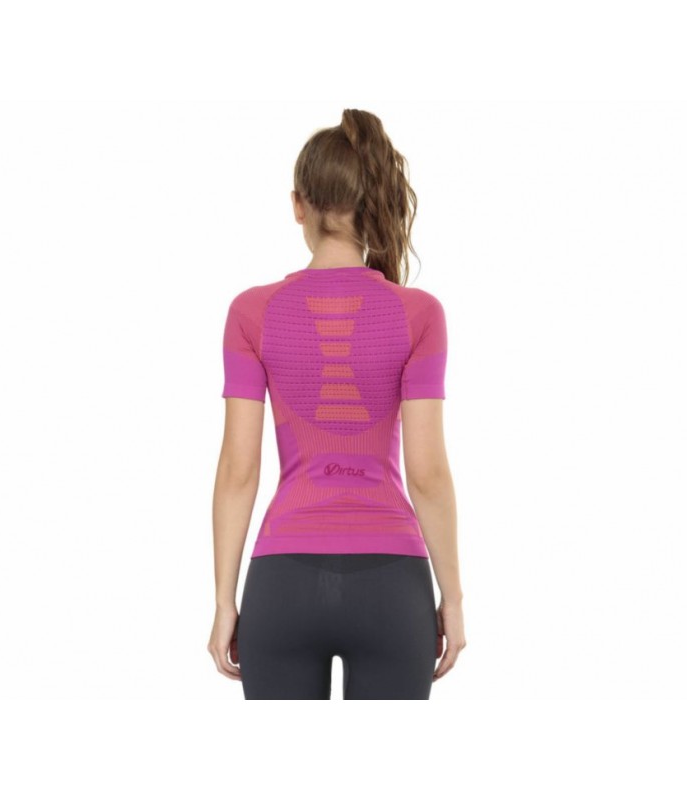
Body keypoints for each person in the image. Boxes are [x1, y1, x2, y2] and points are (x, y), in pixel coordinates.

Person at [207, 108, 465, 700]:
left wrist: (224, 602)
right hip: (392, 587)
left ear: (299, 205)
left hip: (283, 584)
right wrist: (452, 598)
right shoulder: (420, 314)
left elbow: (238, 470)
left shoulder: (251, 312)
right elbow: (428, 474)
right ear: (370, 202)